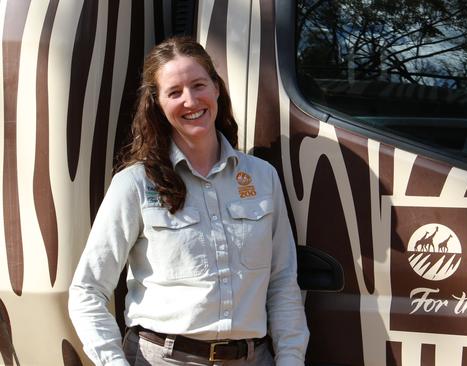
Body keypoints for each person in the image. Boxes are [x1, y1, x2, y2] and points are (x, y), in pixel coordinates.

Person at [69, 36, 309, 366]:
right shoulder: (135, 184)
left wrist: (291, 359)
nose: (190, 100)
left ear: (216, 88)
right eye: (174, 92)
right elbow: (87, 290)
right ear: (157, 103)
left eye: (198, 85)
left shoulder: (262, 177)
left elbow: (282, 282)